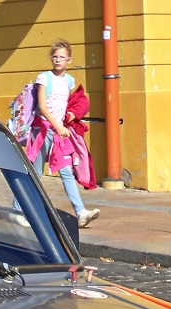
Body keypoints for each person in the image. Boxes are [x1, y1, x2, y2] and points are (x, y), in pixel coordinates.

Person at [24, 40, 100, 228]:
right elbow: (42, 106)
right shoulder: (44, 78)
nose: (58, 60)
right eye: (55, 56)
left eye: (62, 57)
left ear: (69, 60)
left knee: (66, 171)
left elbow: (67, 104)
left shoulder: (69, 81)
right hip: (41, 131)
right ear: (51, 58)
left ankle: (81, 212)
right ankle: (18, 209)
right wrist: (57, 126)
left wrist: (68, 120)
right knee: (36, 173)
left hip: (58, 134)